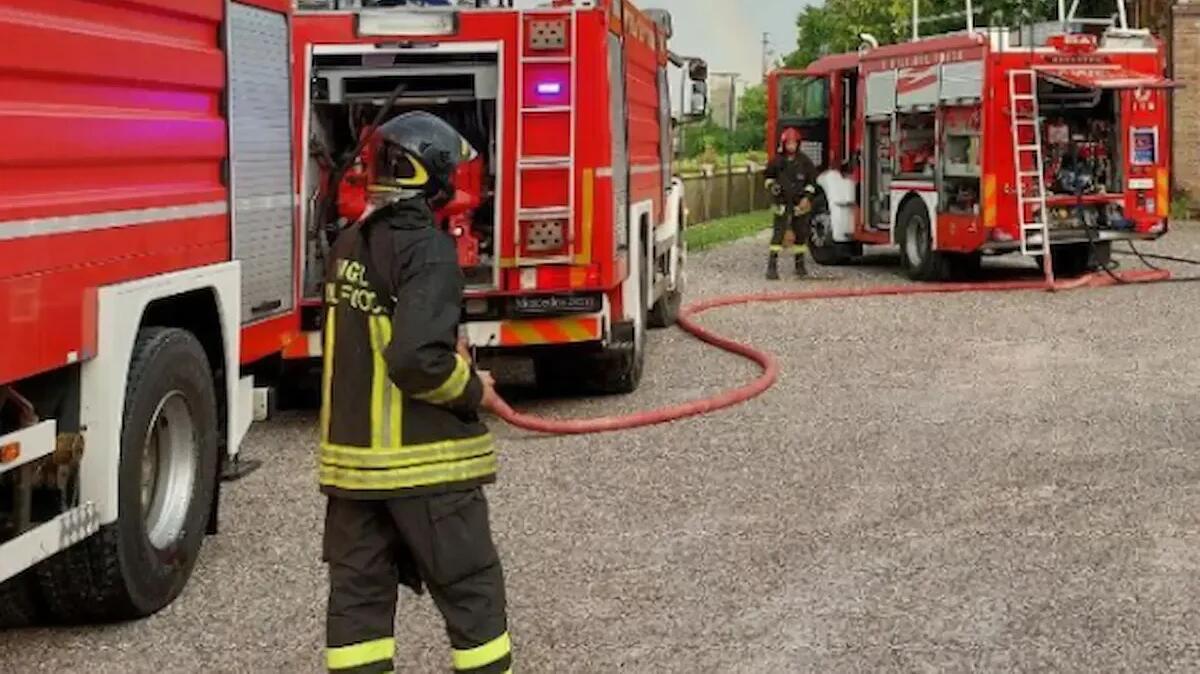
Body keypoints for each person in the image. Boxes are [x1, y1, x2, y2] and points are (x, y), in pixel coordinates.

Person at [319, 110, 512, 674]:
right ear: (433, 175)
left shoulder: (348, 245)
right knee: (472, 590)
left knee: (359, 605)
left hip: (354, 472)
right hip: (423, 467)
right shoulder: (427, 250)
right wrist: (472, 388)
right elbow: (414, 359)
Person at [764, 127, 817, 280]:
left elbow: (812, 182)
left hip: (800, 205)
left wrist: (807, 198)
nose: (791, 146)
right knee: (778, 235)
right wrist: (773, 187)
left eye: (794, 143)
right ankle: (772, 268)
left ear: (798, 144)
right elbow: (767, 178)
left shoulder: (805, 162)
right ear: (783, 144)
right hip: (781, 204)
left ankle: (800, 266)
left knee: (801, 234)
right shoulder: (776, 161)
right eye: (788, 143)